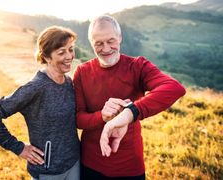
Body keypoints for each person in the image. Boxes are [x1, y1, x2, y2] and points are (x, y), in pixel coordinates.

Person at [73, 15, 186, 179]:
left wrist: (130, 112)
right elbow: (78, 119)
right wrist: (102, 116)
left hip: (129, 166)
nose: (105, 48)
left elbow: (174, 88)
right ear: (91, 44)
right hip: (90, 164)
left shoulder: (138, 66)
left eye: (111, 41)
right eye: (99, 43)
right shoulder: (82, 72)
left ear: (120, 38)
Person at [0, 26, 80, 180]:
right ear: (46, 57)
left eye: (70, 49)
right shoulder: (35, 87)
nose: (69, 56)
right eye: (61, 52)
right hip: (47, 172)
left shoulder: (68, 82)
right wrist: (18, 148)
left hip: (74, 164)